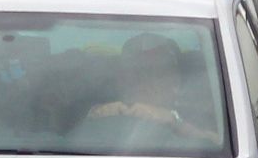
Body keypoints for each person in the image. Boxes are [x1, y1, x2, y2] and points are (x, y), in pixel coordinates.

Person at [86, 32, 217, 142]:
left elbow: (215, 145)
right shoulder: (98, 110)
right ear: (119, 78)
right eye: (135, 70)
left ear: (176, 80)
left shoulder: (202, 113)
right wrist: (93, 116)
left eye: (155, 71)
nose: (142, 80)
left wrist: (172, 121)